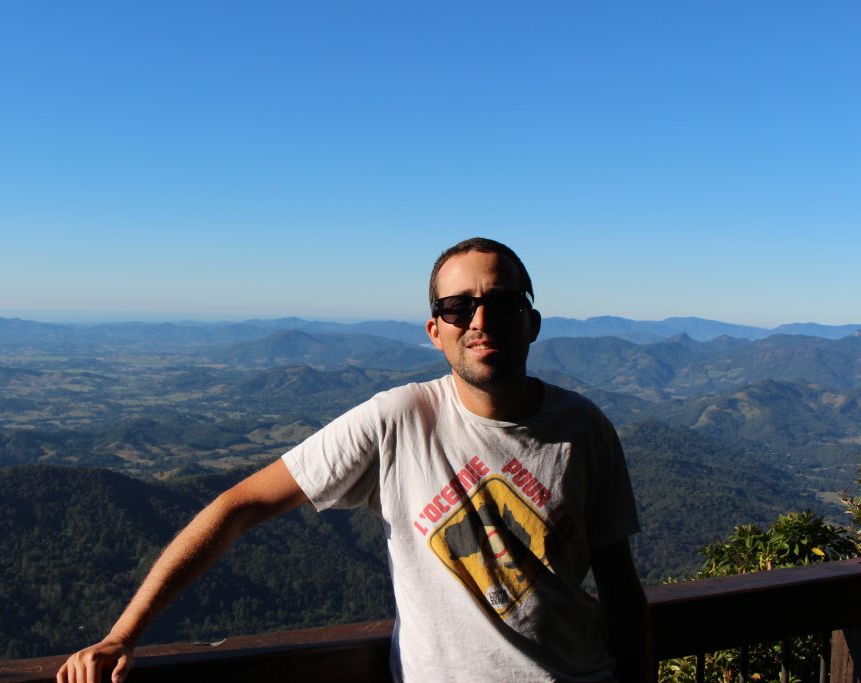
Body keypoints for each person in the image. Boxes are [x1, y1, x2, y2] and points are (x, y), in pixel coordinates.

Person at [57, 237, 651, 683]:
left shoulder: (585, 430)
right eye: (457, 306)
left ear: (533, 322)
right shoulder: (397, 421)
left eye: (501, 302)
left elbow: (622, 590)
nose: (480, 320)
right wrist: (123, 635)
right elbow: (238, 507)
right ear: (434, 329)